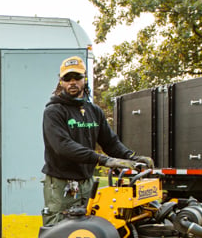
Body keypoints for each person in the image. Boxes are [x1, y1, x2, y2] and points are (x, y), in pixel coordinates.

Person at [41, 55, 152, 226]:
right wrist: (102, 160)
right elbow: (63, 146)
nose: (72, 82)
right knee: (60, 230)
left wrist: (132, 157)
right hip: (61, 184)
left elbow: (110, 142)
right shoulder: (54, 111)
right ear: (61, 82)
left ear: (84, 79)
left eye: (77, 77)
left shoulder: (94, 111)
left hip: (87, 183)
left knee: (86, 231)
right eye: (67, 78)